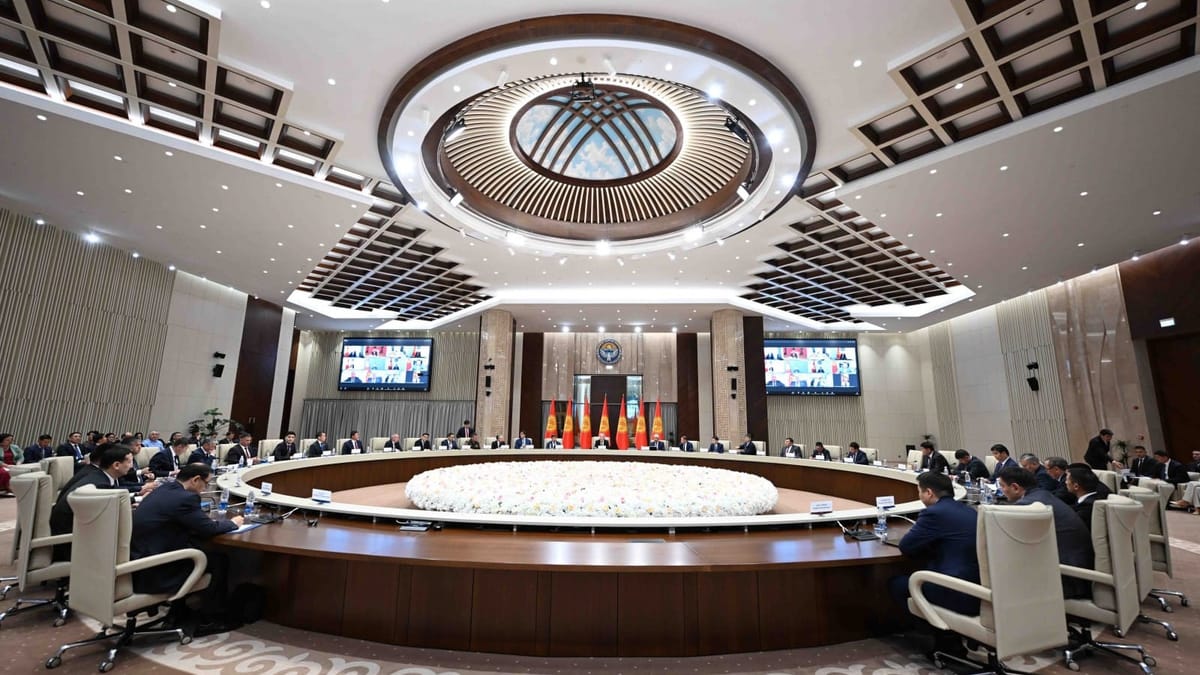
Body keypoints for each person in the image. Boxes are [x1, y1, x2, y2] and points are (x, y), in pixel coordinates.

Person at [130, 463, 241, 632]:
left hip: (139, 562)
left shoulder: (165, 488)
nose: (205, 489)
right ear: (195, 480)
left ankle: (178, 610)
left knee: (196, 548)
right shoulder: (186, 498)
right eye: (206, 483)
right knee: (218, 560)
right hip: (157, 570)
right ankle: (211, 618)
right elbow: (209, 529)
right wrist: (233, 523)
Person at [888, 472, 980, 657]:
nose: (919, 496)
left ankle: (944, 637)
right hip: (979, 589)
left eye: (919, 492)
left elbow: (907, 546)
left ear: (929, 493)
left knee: (897, 584)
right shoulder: (970, 511)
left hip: (956, 591)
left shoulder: (933, 513)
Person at [996, 466, 1094, 599]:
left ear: (1015, 487)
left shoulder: (1027, 505)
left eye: (1002, 486)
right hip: (1080, 568)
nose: (1001, 491)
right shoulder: (1042, 494)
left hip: (1069, 577)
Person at [51, 445, 154, 559]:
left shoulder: (100, 477)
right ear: (116, 465)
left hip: (80, 535)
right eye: (129, 462)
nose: (131, 466)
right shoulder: (100, 484)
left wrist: (137, 498)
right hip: (72, 544)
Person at [1064, 466, 1108, 531]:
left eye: (1067, 480)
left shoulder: (1087, 506)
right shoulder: (1090, 497)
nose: (1065, 482)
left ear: (1076, 486)